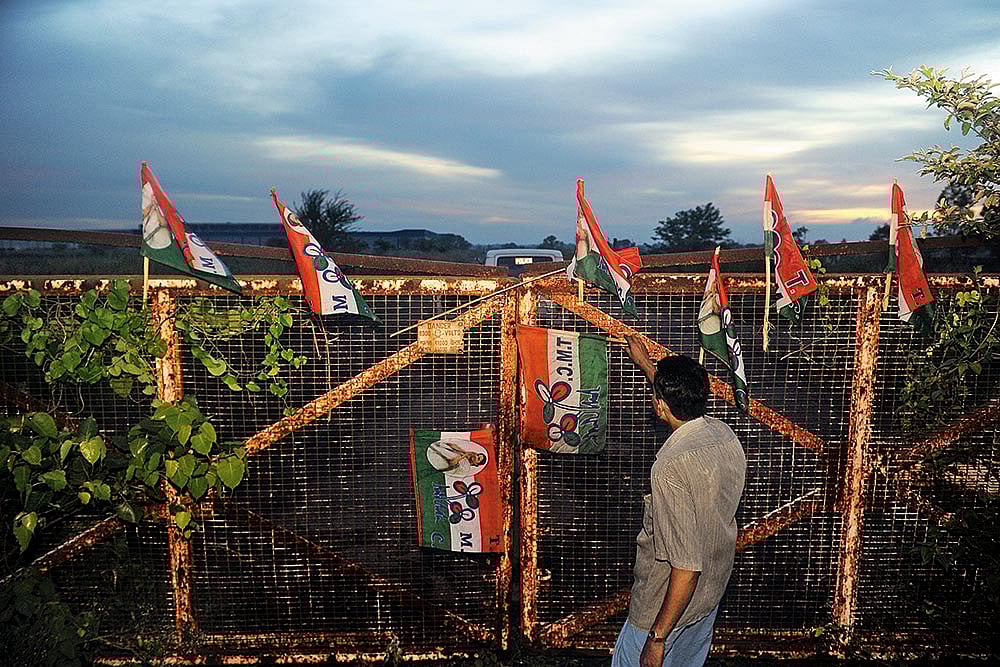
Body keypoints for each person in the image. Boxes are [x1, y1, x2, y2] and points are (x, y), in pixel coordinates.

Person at [612, 335, 746, 667]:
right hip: (707, 600)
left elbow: (686, 568)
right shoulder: (723, 435)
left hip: (664, 608)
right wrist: (645, 363)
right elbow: (673, 400)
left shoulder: (669, 466)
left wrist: (657, 638)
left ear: (660, 405)